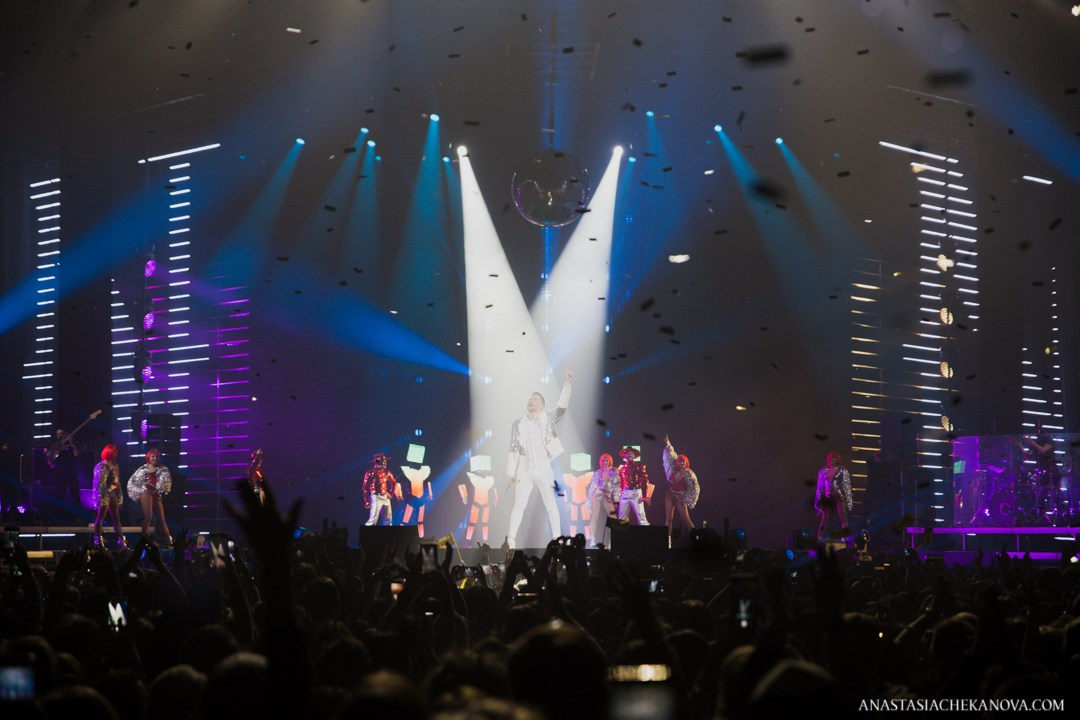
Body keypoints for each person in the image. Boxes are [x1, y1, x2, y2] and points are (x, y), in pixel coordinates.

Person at [505, 370, 572, 548]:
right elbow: (512, 448)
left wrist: (566, 385)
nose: (530, 400)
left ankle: (557, 540)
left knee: (550, 504)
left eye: (534, 398)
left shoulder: (547, 418)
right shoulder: (518, 424)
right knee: (519, 504)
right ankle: (510, 540)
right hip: (524, 470)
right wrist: (510, 473)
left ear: (542, 404)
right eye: (529, 398)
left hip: (543, 468)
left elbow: (562, 408)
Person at [127, 448, 173, 545]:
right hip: (146, 493)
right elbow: (133, 481)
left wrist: (159, 488)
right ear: (148, 457)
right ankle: (143, 540)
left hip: (156, 494)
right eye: (152, 456)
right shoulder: (143, 469)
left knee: (161, 519)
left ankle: (169, 541)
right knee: (149, 516)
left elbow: (167, 483)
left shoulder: (163, 469)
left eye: (156, 457)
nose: (154, 458)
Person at [662, 435, 700, 547]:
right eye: (679, 462)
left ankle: (697, 540)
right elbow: (671, 457)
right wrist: (668, 444)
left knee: (686, 519)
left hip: (680, 498)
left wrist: (685, 498)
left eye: (683, 462)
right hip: (669, 495)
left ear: (686, 462)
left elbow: (695, 487)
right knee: (668, 519)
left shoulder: (689, 473)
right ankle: (667, 544)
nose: (681, 463)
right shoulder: (674, 471)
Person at [92, 444, 125, 549]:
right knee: (101, 516)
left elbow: (117, 481)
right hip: (104, 493)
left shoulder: (115, 465)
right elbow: (101, 483)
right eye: (115, 452)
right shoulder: (103, 465)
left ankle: (121, 540)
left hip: (113, 494)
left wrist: (119, 494)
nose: (116, 454)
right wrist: (103, 496)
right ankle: (98, 539)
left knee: (116, 517)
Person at [814, 451, 852, 540]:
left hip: (839, 494)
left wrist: (849, 500)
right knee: (825, 518)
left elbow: (847, 485)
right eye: (831, 458)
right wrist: (817, 499)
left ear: (838, 459)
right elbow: (819, 486)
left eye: (834, 458)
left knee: (843, 517)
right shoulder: (824, 470)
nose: (832, 460)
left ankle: (845, 538)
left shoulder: (842, 470)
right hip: (828, 495)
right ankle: (819, 537)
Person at [587, 453, 620, 547]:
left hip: (607, 496)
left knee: (613, 518)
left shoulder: (614, 471)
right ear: (601, 462)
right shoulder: (598, 472)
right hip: (597, 494)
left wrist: (616, 500)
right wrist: (589, 500)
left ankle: (613, 540)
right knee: (594, 517)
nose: (605, 462)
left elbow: (617, 486)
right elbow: (592, 487)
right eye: (603, 461)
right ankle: (592, 539)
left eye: (606, 461)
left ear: (609, 461)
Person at [362, 453, 401, 526]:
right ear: (378, 461)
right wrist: (366, 501)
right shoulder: (370, 472)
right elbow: (365, 487)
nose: (385, 462)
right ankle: (367, 534)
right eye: (383, 460)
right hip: (376, 497)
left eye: (385, 460)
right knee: (373, 520)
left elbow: (393, 482)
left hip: (385, 496)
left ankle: (389, 536)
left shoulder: (386, 472)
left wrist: (391, 493)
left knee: (388, 520)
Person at [617, 446, 650, 526]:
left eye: (631, 453)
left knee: (641, 516)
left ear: (634, 455)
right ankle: (621, 537)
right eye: (627, 454)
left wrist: (646, 496)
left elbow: (645, 480)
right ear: (624, 456)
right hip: (625, 493)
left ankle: (645, 536)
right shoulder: (622, 468)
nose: (629, 455)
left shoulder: (639, 466)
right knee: (621, 517)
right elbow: (621, 483)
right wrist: (620, 495)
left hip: (636, 493)